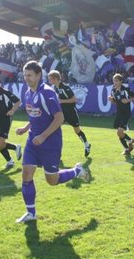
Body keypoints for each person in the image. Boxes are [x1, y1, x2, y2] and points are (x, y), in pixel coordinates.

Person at [14, 61, 88, 223]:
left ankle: (76, 171)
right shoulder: (27, 93)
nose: (26, 78)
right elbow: (34, 115)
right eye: (25, 75)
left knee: (51, 180)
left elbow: (59, 118)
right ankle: (31, 213)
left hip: (50, 143)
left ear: (38, 75)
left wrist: (43, 136)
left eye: (29, 75)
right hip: (33, 141)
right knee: (26, 175)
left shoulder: (47, 93)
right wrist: (26, 128)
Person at [47, 70, 91, 157]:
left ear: (56, 79)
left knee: (77, 130)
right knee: (54, 130)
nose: (49, 81)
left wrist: (61, 101)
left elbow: (74, 99)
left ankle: (86, 144)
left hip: (70, 113)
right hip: (61, 114)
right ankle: (56, 152)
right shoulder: (55, 88)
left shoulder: (65, 87)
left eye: (50, 79)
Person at [109, 73, 134, 156]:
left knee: (120, 131)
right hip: (119, 113)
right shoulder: (113, 90)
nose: (115, 82)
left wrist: (128, 100)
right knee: (119, 133)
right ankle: (128, 146)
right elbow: (116, 101)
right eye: (114, 80)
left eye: (116, 80)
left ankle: (130, 142)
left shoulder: (126, 89)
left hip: (126, 113)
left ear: (121, 81)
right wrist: (111, 100)